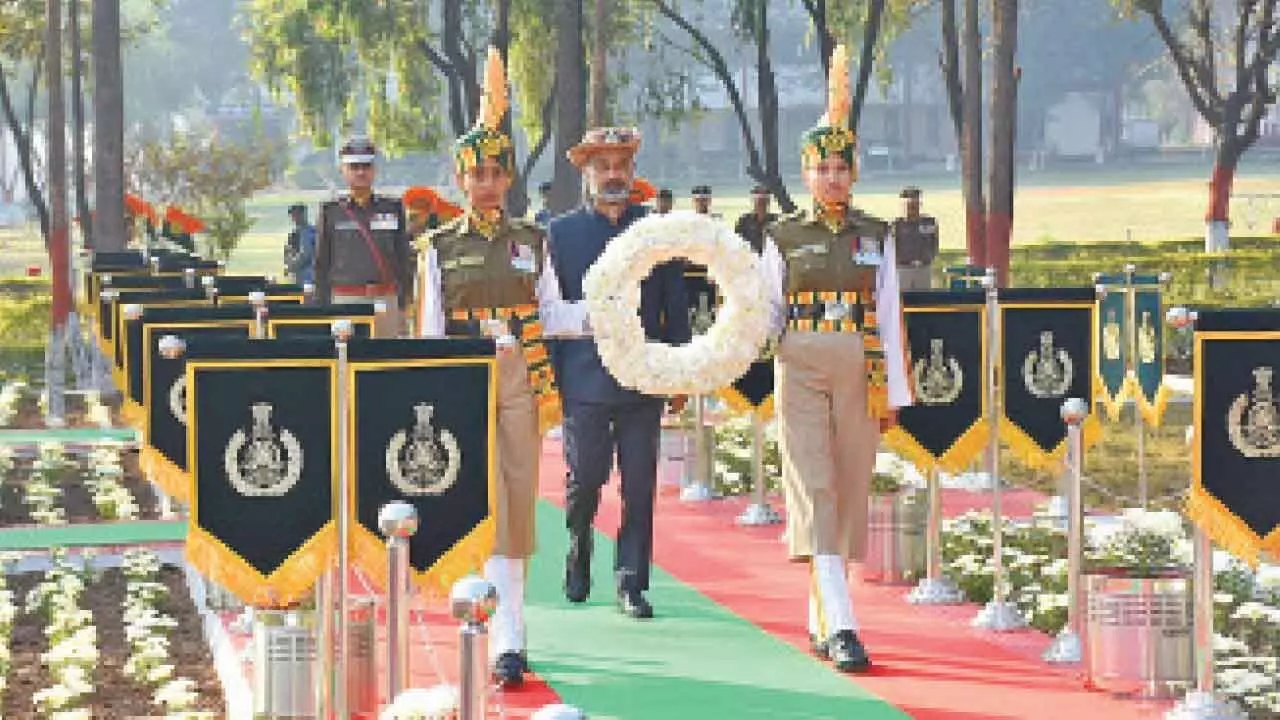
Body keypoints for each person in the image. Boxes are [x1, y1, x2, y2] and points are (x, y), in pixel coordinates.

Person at [759, 44, 911, 673]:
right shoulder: (783, 236)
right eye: (821, 168)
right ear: (805, 173)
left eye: (841, 168)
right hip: (800, 361)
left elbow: (890, 310)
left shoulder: (875, 234)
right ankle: (845, 624)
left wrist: (896, 391)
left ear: (855, 173)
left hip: (861, 365)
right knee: (813, 483)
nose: (832, 178)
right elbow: (767, 310)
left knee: (848, 487)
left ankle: (821, 613)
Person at [415, 48, 543, 688]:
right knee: (476, 497)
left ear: (509, 178)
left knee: (516, 499)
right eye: (477, 174)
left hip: (521, 374)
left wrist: (612, 309)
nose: (487, 183)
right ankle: (488, 623)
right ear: (459, 179)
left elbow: (555, 310)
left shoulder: (532, 241)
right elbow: (429, 328)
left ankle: (512, 632)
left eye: (496, 172)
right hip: (463, 377)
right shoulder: (438, 247)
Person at [539, 127, 691, 619]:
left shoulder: (655, 231)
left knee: (640, 484)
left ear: (632, 171)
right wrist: (553, 378)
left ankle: (631, 581)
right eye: (602, 167)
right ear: (586, 175)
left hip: (644, 376)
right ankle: (579, 542)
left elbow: (674, 306)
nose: (612, 175)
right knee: (586, 478)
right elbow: (550, 310)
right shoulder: (560, 234)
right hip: (584, 376)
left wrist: (680, 370)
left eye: (620, 166)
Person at [313, 136, 412, 337]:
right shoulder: (331, 211)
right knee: (347, 353)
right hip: (345, 300)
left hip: (385, 298)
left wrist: (404, 303)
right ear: (343, 170)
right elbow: (322, 262)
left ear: (374, 170)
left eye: (366, 166)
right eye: (354, 167)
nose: (361, 172)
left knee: (387, 353)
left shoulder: (392, 208)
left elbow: (403, 258)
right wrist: (322, 307)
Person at [892, 186, 940, 290]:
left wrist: (931, 258)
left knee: (923, 298)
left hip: (924, 269)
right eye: (909, 205)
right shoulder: (897, 225)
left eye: (915, 204)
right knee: (903, 297)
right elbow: (892, 246)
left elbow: (935, 242)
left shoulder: (929, 222)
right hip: (903, 269)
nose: (912, 208)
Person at [733, 185, 777, 253]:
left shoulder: (775, 221)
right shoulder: (743, 222)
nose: (760, 202)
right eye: (758, 199)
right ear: (754, 201)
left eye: (764, 199)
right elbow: (737, 243)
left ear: (768, 201)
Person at [284, 204, 316, 285]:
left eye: (297, 214)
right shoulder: (295, 233)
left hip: (308, 276)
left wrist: (293, 266)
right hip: (299, 276)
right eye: (293, 215)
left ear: (304, 214)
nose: (295, 218)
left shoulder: (309, 232)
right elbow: (289, 252)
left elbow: (306, 255)